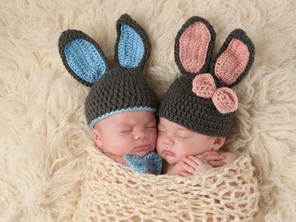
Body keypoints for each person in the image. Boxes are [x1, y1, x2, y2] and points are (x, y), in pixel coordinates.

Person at [58, 13, 161, 175]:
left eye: (150, 126)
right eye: (125, 130)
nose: (142, 134)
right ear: (98, 139)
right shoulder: (105, 164)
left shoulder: (158, 158)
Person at [157, 16, 255, 176]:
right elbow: (149, 196)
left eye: (182, 135)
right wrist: (173, 175)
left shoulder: (226, 161)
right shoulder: (159, 164)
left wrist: (208, 176)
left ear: (216, 141)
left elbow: (244, 197)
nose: (167, 140)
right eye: (161, 131)